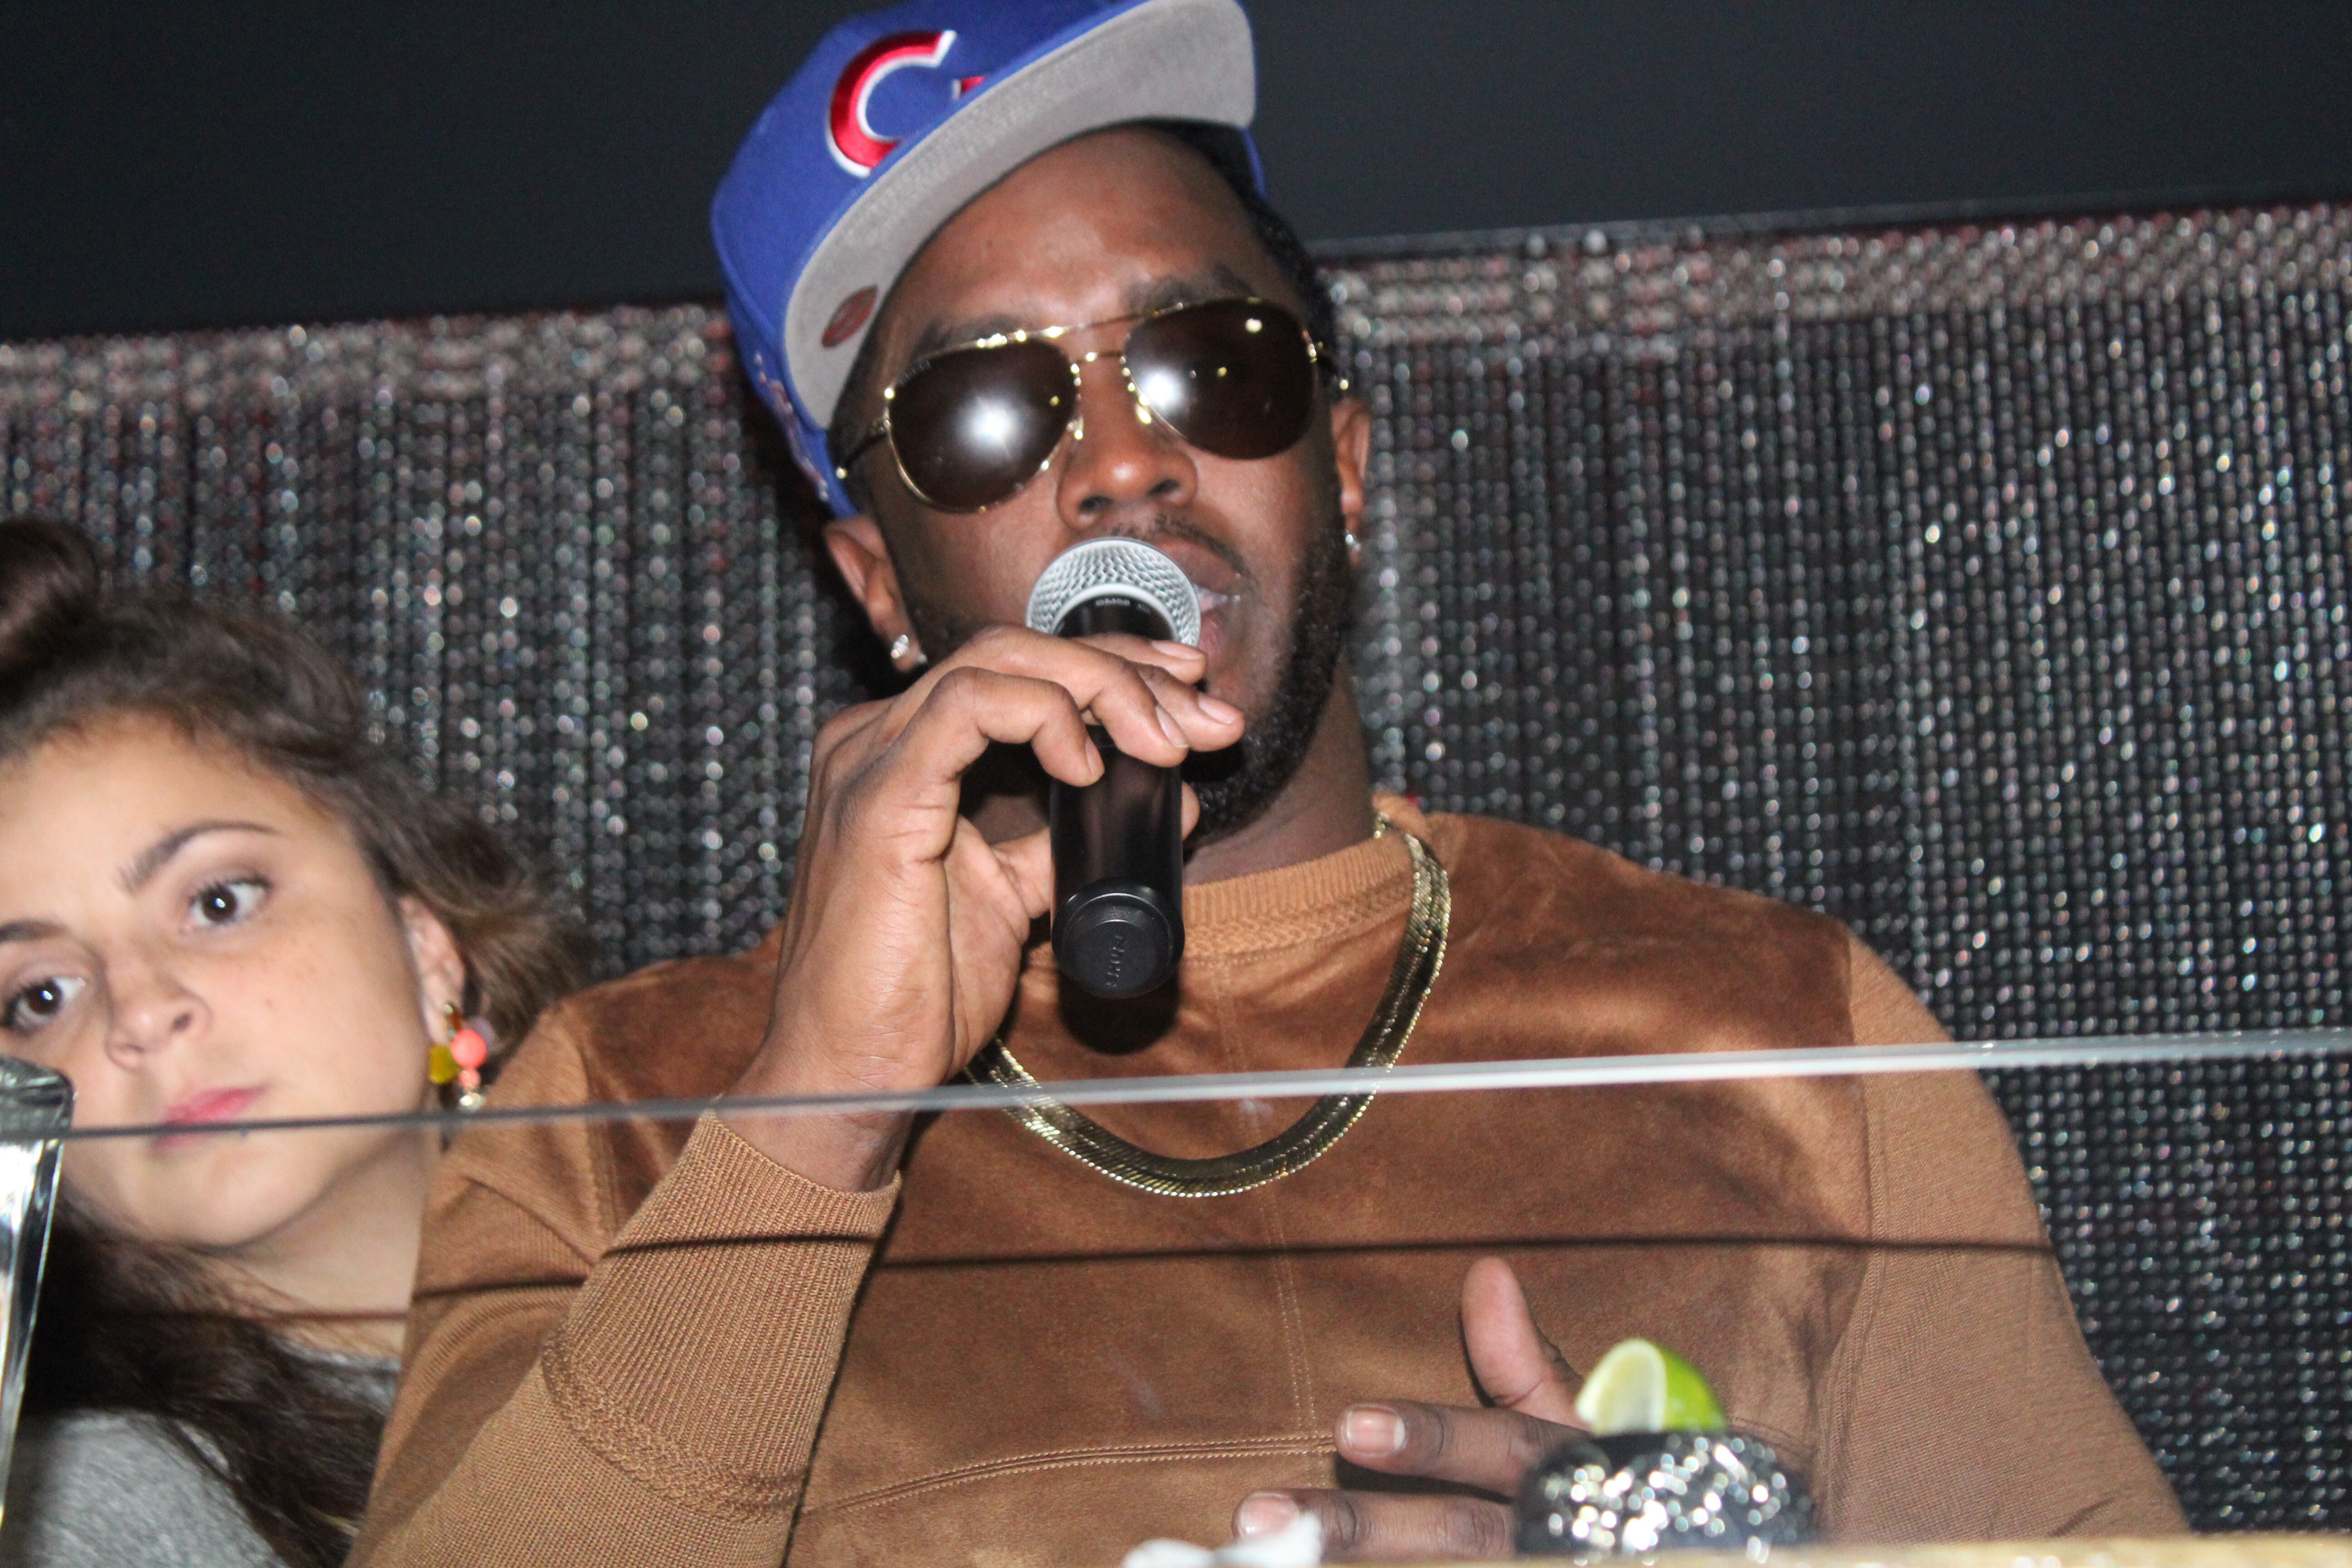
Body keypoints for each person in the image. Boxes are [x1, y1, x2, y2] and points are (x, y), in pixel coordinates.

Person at [354, 3, 2185, 1563]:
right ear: (878, 585)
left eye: (1206, 363)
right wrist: (812, 1118)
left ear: (1346, 468)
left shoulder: (1774, 1031)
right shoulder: (620, 1113)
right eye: (988, 410)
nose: (1121, 463)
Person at [0, 518, 586, 1568]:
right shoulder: (83, 1503)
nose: (142, 1011)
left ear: (426, 947)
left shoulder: (724, 1283)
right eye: (41, 995)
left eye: (218, 902)